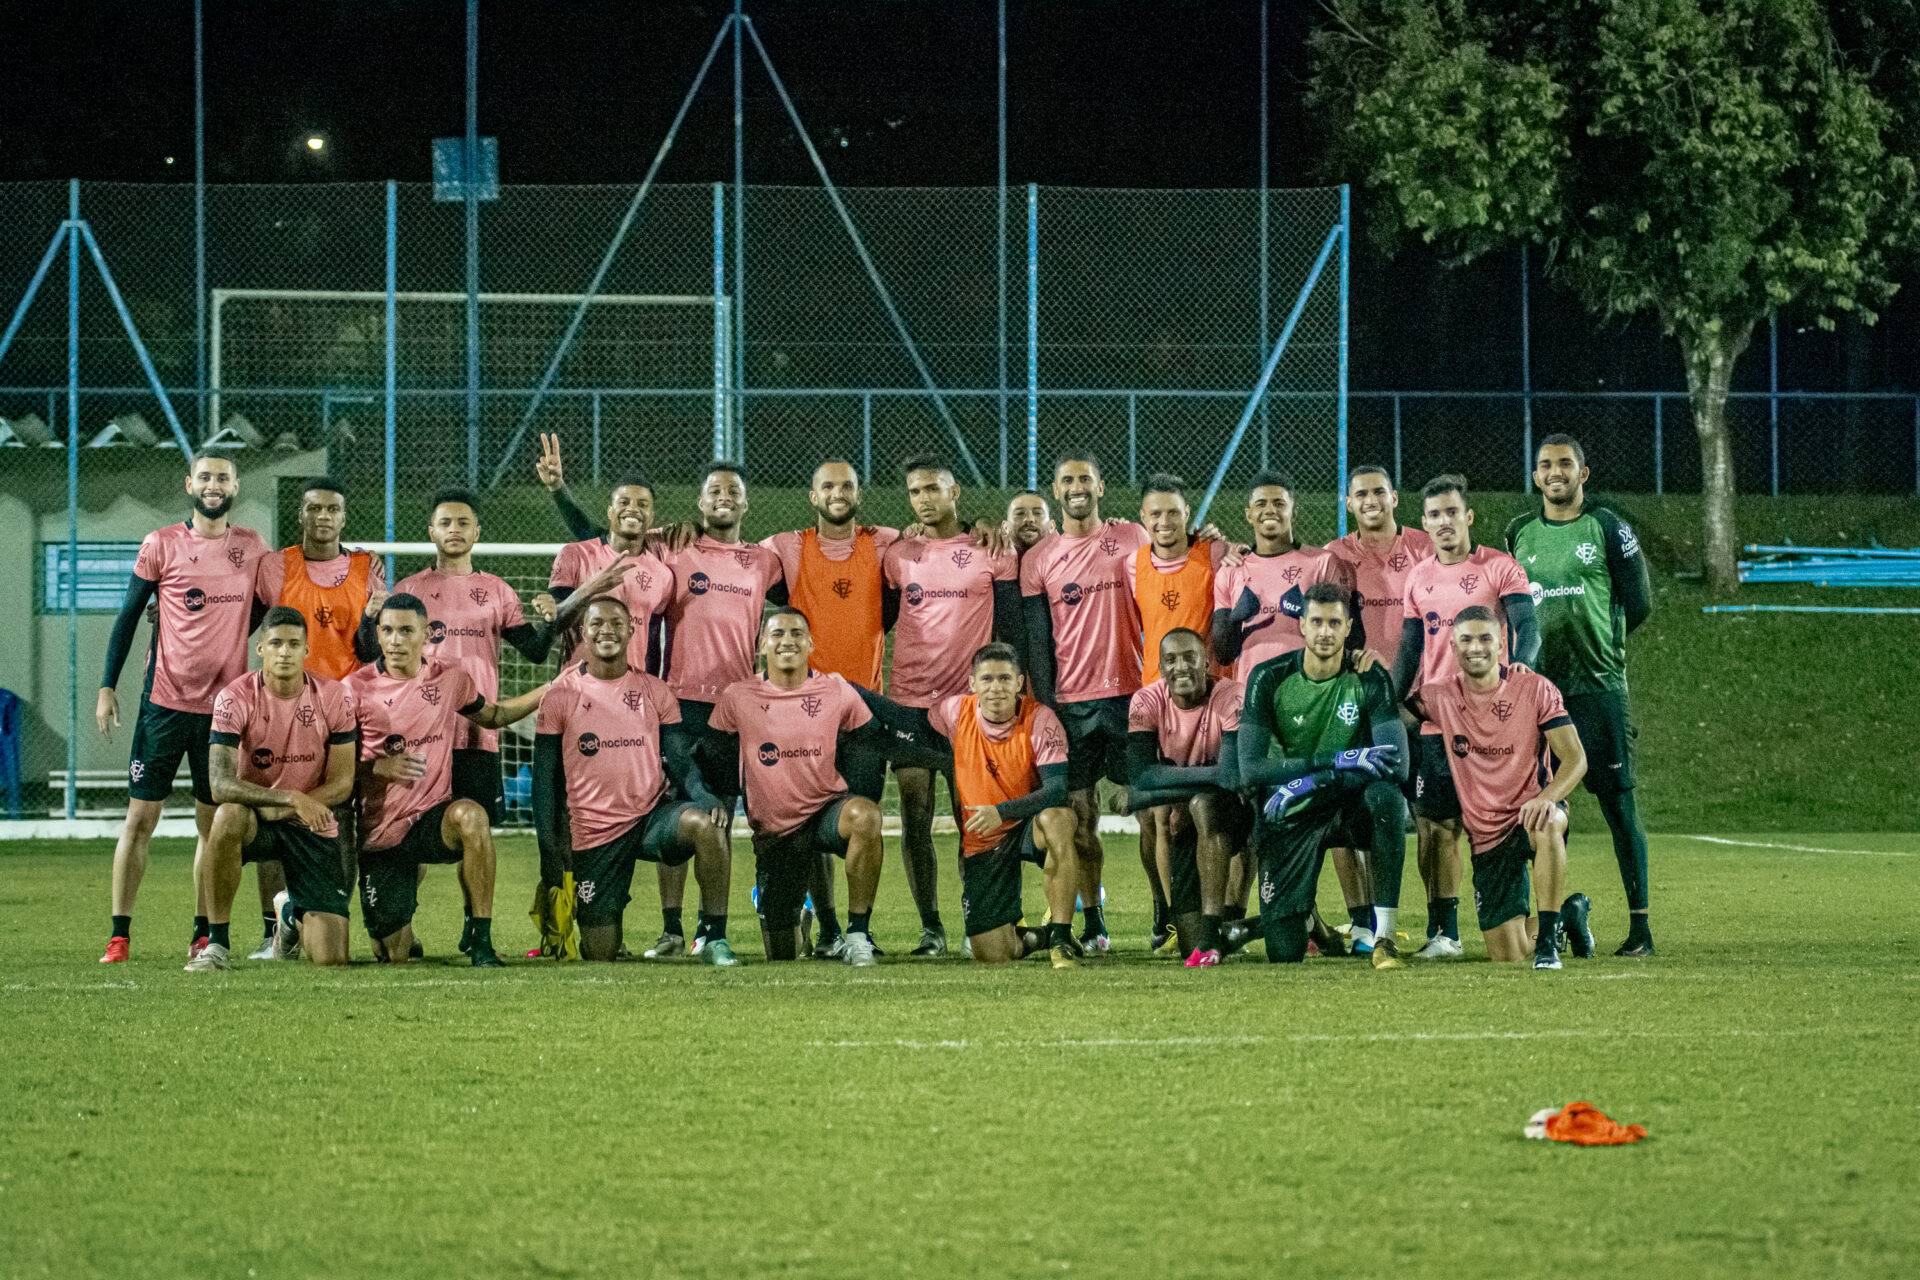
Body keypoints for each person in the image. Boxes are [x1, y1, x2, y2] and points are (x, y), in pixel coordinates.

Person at [97, 452, 271, 963]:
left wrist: (240, 627)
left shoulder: (251, 547)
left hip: (223, 712)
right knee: (140, 820)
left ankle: (202, 931)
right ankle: (119, 933)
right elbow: (130, 616)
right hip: (163, 705)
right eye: (206, 476)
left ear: (236, 485)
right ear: (188, 484)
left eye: (223, 477)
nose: (214, 485)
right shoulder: (161, 543)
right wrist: (108, 686)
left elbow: (264, 608)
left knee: (210, 825)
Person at [1507, 433, 1656, 957]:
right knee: (1544, 810)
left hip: (1599, 688)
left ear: (1582, 473)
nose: (1555, 472)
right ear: (1535, 476)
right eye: (1545, 464)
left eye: (1565, 464)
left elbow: (1637, 603)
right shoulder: (1518, 533)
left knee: (1619, 807)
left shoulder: (1608, 526)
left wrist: (1601, 641)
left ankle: (1640, 927)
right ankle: (1550, 918)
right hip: (1541, 695)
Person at [347, 594, 548, 968]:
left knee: (472, 816)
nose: (396, 640)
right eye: (387, 630)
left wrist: (547, 691)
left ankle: (482, 940)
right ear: (378, 634)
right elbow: (330, 766)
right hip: (380, 834)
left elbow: (492, 715)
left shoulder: (449, 677)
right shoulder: (354, 689)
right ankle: (385, 911)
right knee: (393, 954)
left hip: (430, 820)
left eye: (406, 631)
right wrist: (375, 768)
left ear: (426, 634)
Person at [532, 596, 736, 964]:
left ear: (630, 631)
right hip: (594, 833)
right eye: (596, 624)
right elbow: (544, 784)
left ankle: (714, 936)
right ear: (582, 633)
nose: (606, 630)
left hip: (650, 819)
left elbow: (678, 759)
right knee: (599, 953)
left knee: (705, 826)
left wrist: (703, 795)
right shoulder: (560, 695)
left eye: (615, 623)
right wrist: (550, 855)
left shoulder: (655, 691)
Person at [1389, 474, 1539, 960]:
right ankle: (1444, 934)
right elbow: (1410, 652)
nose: (1444, 522)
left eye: (1452, 512)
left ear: (1468, 516)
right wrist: (1393, 701)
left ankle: (1542, 919)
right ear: (1425, 523)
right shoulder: (1418, 578)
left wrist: (1520, 684)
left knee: (1512, 825)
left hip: (1495, 722)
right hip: (1439, 724)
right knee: (1435, 827)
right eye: (1434, 515)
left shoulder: (1500, 567)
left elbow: (1527, 631)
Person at [882, 454, 1022, 958]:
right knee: (915, 813)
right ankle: (930, 927)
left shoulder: (989, 548)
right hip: (911, 703)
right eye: (915, 491)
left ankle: (973, 919)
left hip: (968, 709)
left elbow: (1008, 627)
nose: (924, 499)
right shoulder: (897, 554)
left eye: (933, 489)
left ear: (954, 492)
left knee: (972, 819)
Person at [1237, 582, 1410, 968]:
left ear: (1349, 627)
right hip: (1291, 812)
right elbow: (1250, 769)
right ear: (1301, 625)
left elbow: (1398, 765)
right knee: (1284, 953)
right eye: (1316, 621)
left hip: (1346, 806)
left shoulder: (1369, 677)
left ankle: (1384, 937)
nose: (1325, 632)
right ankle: (1310, 920)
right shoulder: (1268, 678)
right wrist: (1339, 759)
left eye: (1335, 623)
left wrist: (1314, 779)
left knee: (1387, 799)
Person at [1019, 453, 1150, 954]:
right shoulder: (1039, 559)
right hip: (1072, 706)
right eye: (1067, 480)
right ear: (1057, 491)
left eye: (1085, 479)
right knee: (1079, 818)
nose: (1077, 487)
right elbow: (1038, 639)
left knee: (1157, 812)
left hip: (1130, 696)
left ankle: (1166, 918)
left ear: (1101, 485)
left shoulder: (1133, 536)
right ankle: (1093, 918)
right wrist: (1047, 704)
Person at [705, 608, 887, 966]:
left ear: (810, 643)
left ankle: (857, 934)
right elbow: (713, 754)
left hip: (825, 812)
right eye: (777, 634)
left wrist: (858, 787)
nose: (787, 640)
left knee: (865, 816)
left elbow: (868, 738)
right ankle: (792, 917)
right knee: (782, 956)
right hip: (776, 832)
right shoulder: (738, 696)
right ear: (761, 647)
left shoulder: (836, 689)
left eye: (796, 633)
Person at [1411, 606, 1589, 968]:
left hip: (1529, 812)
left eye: (1484, 638)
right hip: (1486, 834)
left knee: (1549, 822)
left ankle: (1547, 949)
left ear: (1502, 642)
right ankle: (1566, 917)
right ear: (1453, 645)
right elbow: (1393, 709)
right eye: (1466, 639)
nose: (1475, 647)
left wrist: (1547, 798)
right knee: (1506, 955)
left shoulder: (1535, 688)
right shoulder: (1439, 695)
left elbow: (1576, 759)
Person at [189, 608, 357, 970]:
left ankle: (289, 915)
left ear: (307, 650)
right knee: (227, 816)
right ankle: (217, 944)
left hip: (310, 824)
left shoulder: (335, 697)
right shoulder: (234, 698)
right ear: (260, 648)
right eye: (276, 643)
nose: (285, 652)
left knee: (331, 958)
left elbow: (343, 782)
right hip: (259, 820)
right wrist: (287, 798)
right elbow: (219, 785)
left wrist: (300, 804)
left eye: (294, 644)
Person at [393, 487, 557, 821]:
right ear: (431, 531)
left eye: (463, 523)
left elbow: (535, 652)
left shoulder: (498, 592)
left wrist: (552, 620)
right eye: (446, 522)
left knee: (477, 831)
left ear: (477, 532)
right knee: (413, 832)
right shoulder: (409, 590)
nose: (454, 529)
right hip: (423, 733)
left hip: (477, 734)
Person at [1323, 464, 1434, 952]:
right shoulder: (1336, 556)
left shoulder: (1424, 548)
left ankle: (1440, 923)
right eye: (1360, 494)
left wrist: (1416, 698)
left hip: (1424, 701)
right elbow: (1327, 622)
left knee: (1432, 815)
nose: (1370, 500)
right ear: (1349, 503)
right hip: (1362, 702)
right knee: (1351, 807)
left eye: (1378, 492)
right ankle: (1363, 921)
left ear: (1394, 497)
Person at [1125, 474, 1230, 953]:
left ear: (1188, 515)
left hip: (1206, 697)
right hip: (1156, 697)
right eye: (1155, 514)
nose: (1164, 521)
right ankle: (1163, 914)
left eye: (1173, 512)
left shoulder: (1214, 554)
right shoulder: (1134, 563)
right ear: (1143, 521)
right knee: (1155, 820)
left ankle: (1225, 913)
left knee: (1215, 811)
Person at [926, 643, 1079, 968]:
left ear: (1020, 682)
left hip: (1025, 825)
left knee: (1059, 820)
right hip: (984, 839)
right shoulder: (953, 711)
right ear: (973, 684)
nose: (996, 687)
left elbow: (1057, 790)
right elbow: (915, 727)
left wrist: (1002, 812)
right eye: (987, 679)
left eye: (1004, 679)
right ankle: (1044, 935)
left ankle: (1063, 938)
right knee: (992, 952)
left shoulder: (1040, 719)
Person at [1124, 628, 1246, 965]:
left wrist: (1150, 794)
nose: (1181, 667)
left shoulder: (1231, 695)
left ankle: (1212, 934)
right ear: (1161, 669)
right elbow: (1141, 775)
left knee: (1202, 805)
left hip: (1238, 814)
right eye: (1171, 660)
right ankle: (1240, 930)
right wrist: (1213, 776)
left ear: (1206, 662)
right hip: (1187, 822)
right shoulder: (1146, 702)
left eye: (1190, 657)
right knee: (1186, 942)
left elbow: (1234, 777)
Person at [1211, 471, 1358, 683]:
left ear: (1293, 512)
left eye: (1279, 503)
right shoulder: (1231, 570)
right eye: (1261, 504)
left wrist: (1309, 615)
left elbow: (1349, 638)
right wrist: (1236, 619)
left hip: (1310, 689)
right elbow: (1224, 655)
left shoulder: (1323, 562)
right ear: (1248, 514)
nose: (1270, 510)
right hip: (1252, 692)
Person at [253, 476, 387, 679]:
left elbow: (371, 650)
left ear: (343, 518)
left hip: (348, 694)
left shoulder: (367, 569)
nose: (323, 516)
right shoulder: (274, 566)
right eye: (314, 508)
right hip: (291, 693)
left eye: (333, 509)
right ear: (301, 515)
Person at [1005, 490, 1055, 555]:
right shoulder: (991, 557)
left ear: (1051, 526)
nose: (1029, 519)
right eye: (1020, 513)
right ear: (1005, 527)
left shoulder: (1066, 559)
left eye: (1038, 513)